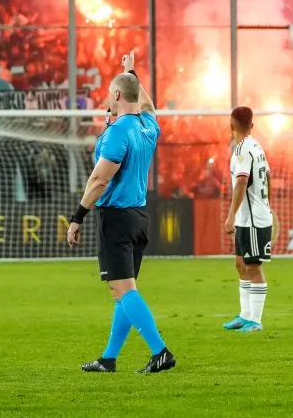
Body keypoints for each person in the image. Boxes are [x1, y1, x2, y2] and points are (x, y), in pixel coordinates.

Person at [68, 51, 175, 374]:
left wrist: (77, 217)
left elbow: (100, 180)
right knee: (123, 290)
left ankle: (160, 352)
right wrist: (132, 74)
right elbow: (149, 106)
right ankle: (109, 358)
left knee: (123, 289)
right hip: (139, 216)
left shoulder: (118, 132)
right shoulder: (147, 125)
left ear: (116, 95)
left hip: (116, 218)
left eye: (109, 93)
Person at [222, 106, 275, 333]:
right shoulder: (256, 146)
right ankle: (244, 316)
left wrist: (230, 215)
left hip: (253, 219)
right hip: (248, 218)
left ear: (231, 125)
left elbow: (242, 182)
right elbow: (269, 176)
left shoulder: (244, 150)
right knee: (240, 264)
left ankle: (256, 320)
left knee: (253, 267)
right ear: (251, 125)